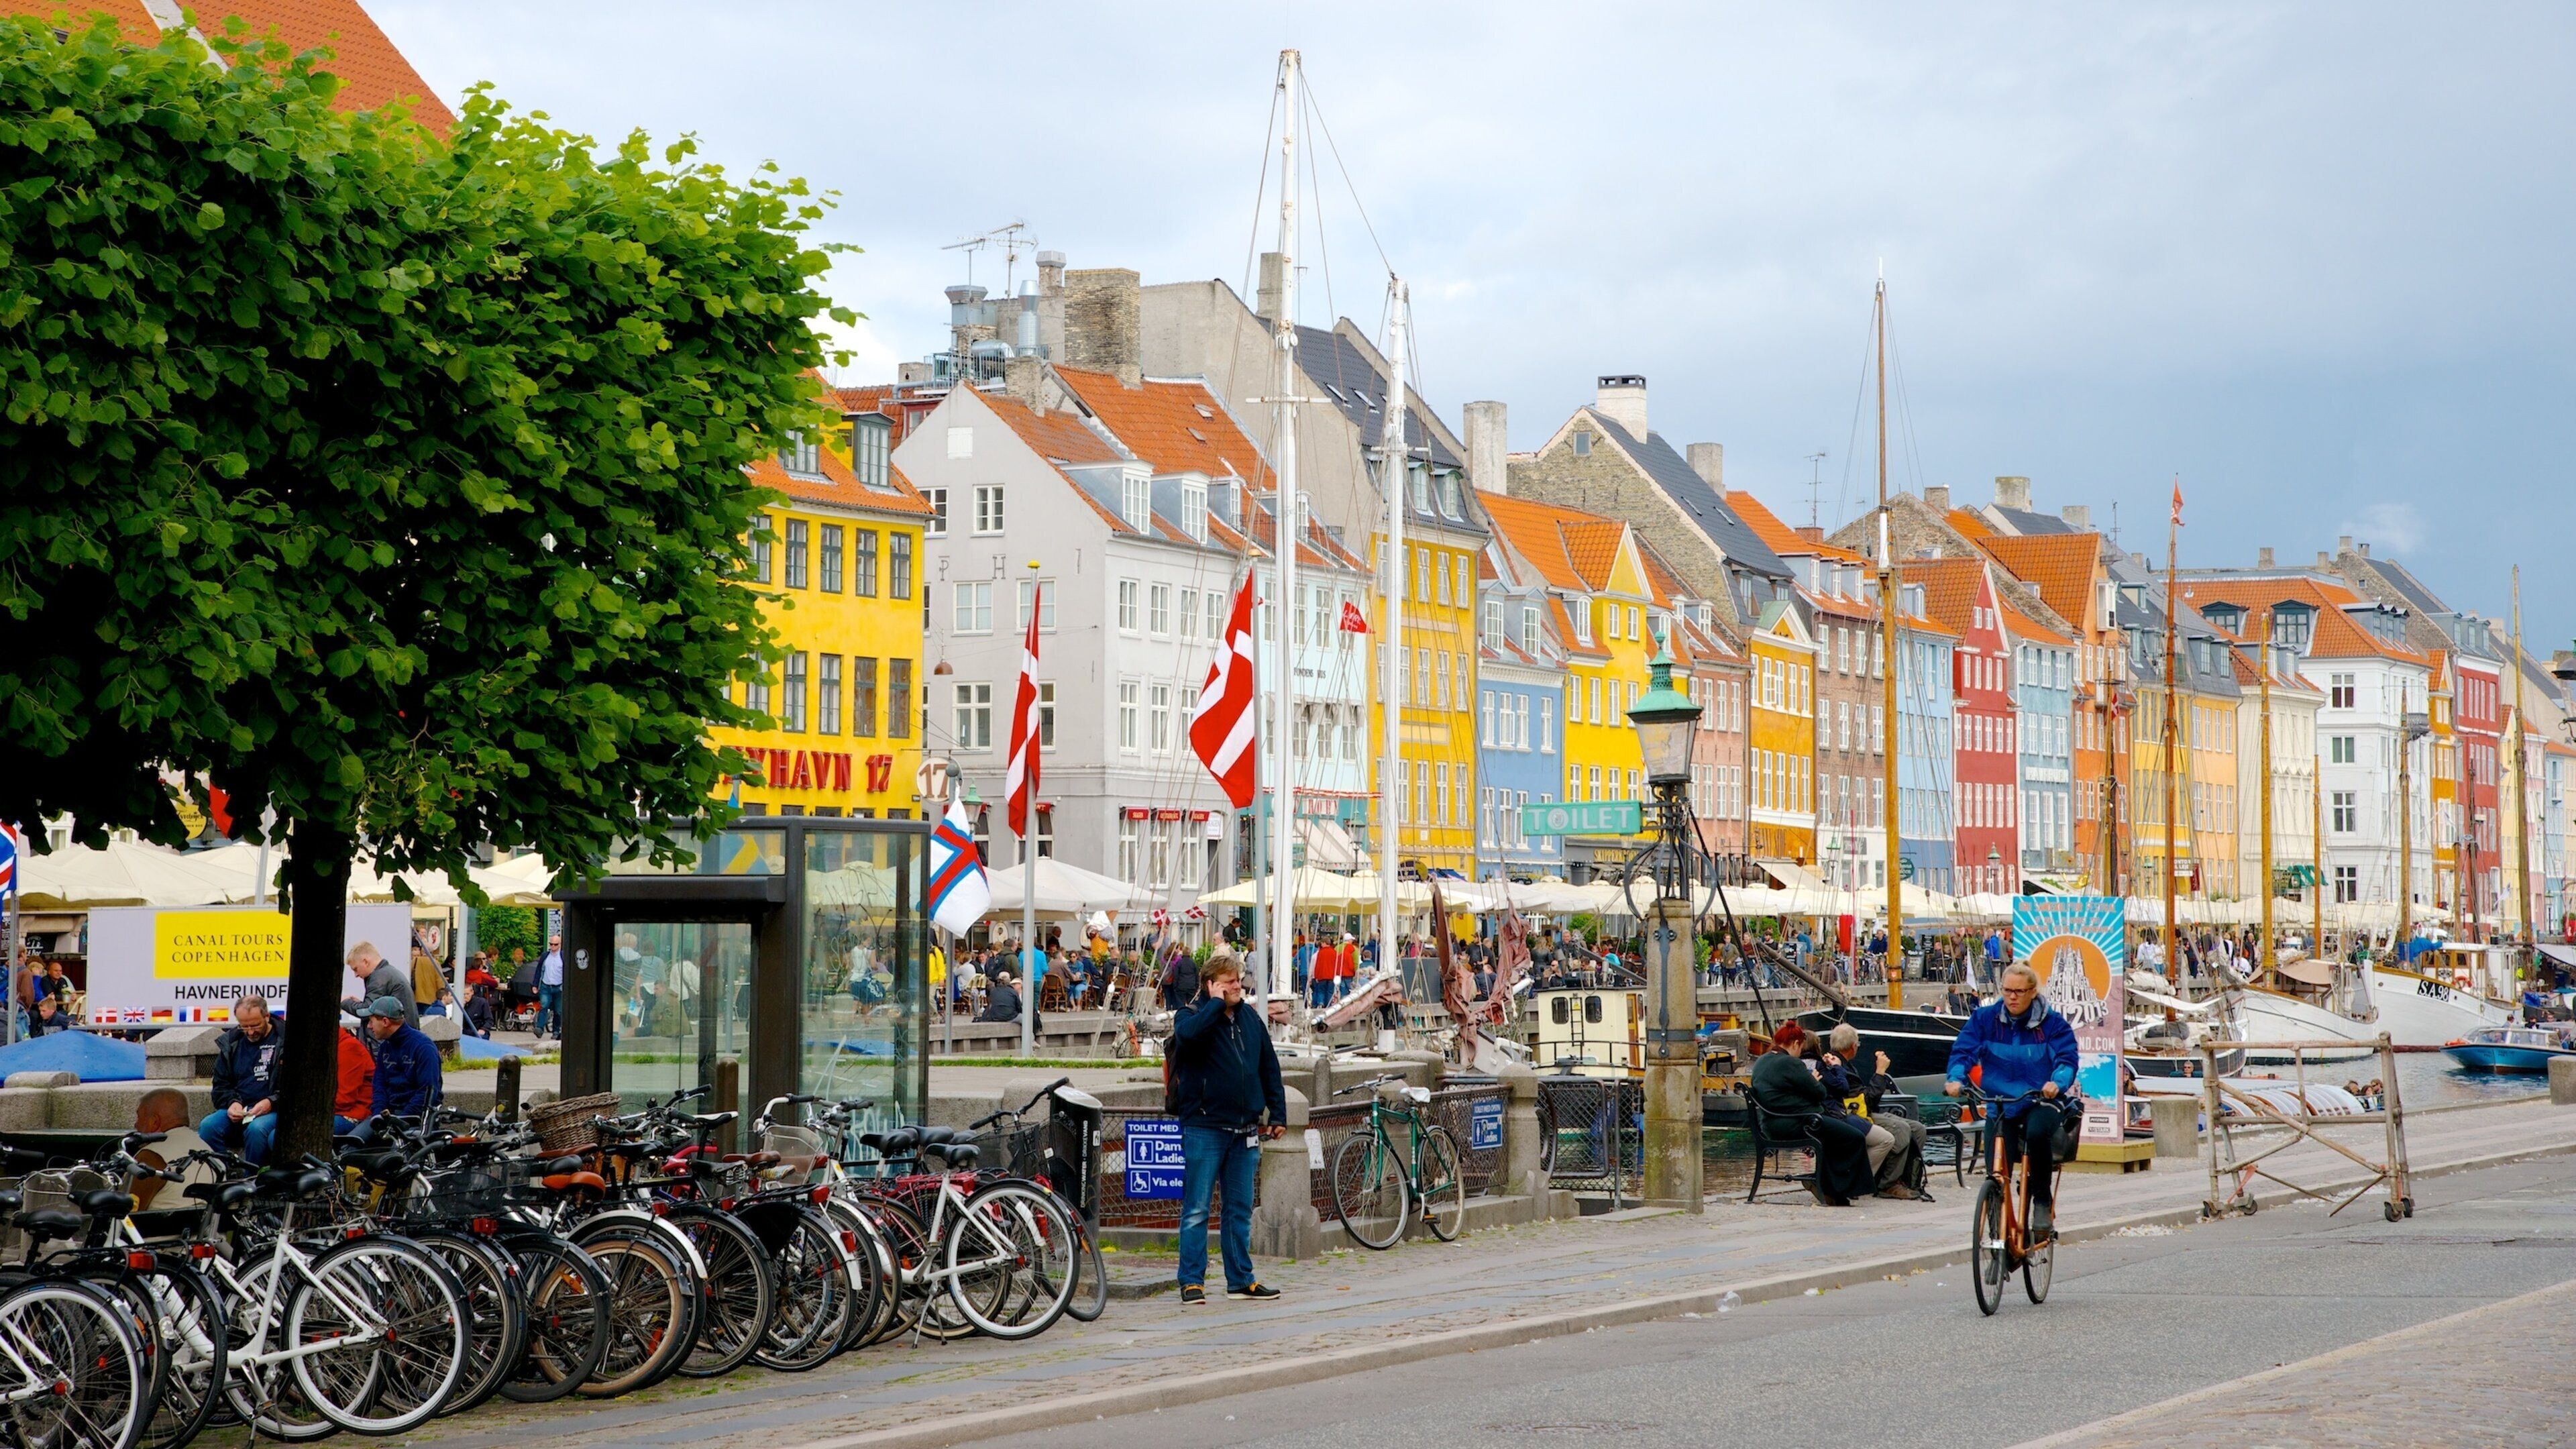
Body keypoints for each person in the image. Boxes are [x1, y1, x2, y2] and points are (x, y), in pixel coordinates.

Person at [1169, 953, 1285, 1305]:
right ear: (1211, 985)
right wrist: (1216, 1006)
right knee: (1197, 1209)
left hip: (1244, 1128)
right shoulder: (1190, 1015)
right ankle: (1192, 1281)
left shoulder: (1249, 1018)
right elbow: (1188, 1037)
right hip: (1204, 1126)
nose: (1238, 986)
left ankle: (1241, 1280)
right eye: (1229, 982)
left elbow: (1269, 1065)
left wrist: (1277, 1113)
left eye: (1238, 980)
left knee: (1239, 1209)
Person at [1944, 961, 2080, 1236]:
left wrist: (2057, 1082)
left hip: (2040, 1099)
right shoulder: (1985, 1019)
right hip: (2000, 1102)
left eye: (2019, 992)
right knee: (1996, 1167)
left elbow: (2066, 1059)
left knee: (2037, 1132)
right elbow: (1964, 1052)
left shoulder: (2053, 1024)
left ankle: (2041, 1200)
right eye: (2007, 991)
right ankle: (1998, 1226)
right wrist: (1956, 1079)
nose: (2012, 997)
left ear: (2033, 992)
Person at [1746, 1022, 1876, 1205]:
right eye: (1800, 1047)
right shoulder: (1791, 1063)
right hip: (1797, 1123)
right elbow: (1820, 1093)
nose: (1800, 1052)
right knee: (1854, 1137)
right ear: (1795, 1044)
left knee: (1835, 1134)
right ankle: (1839, 1188)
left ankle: (1826, 1186)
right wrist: (1814, 1080)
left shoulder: (1762, 1061)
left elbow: (1781, 1093)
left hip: (1770, 1123)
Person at [1822, 1022, 1932, 1201]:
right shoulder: (1838, 1067)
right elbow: (1868, 1102)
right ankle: (1887, 1184)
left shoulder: (1842, 1064)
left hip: (1864, 1113)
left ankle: (1908, 1179)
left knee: (1918, 1129)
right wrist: (1880, 1072)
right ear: (1853, 1046)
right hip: (1855, 1116)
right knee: (1901, 1129)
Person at [199, 994, 284, 1165]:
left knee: (257, 1129)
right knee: (208, 1126)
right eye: (244, 1027)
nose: (250, 1032)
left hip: (273, 1109)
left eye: (255, 1025)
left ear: (267, 1017)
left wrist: (271, 1102)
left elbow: (296, 1088)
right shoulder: (232, 1043)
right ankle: (223, 1170)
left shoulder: (283, 1040)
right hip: (241, 1108)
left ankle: (252, 1175)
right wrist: (232, 1102)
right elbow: (220, 1086)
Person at [131, 1089, 215, 1212]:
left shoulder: (151, 1156)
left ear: (155, 1122)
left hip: (162, 1225)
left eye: (139, 1118)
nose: (136, 1125)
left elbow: (126, 1212)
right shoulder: (208, 1151)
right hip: (209, 1223)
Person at [366, 996, 444, 1121]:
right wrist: (378, 1116)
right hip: (387, 1116)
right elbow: (379, 1086)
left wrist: (400, 1121)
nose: (369, 1026)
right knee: (357, 1135)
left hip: (415, 1119)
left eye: (371, 1021)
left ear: (385, 1022)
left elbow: (428, 1093)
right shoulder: (385, 1046)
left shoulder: (423, 1047)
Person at [342, 942, 419, 1027]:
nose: (356, 975)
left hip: (394, 1034)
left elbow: (367, 1011)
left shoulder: (380, 978)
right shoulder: (388, 974)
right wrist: (358, 1003)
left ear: (366, 962)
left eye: (356, 969)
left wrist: (345, 1002)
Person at [333, 1011, 376, 1134]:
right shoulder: (339, 1046)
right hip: (339, 1110)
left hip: (353, 1113)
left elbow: (345, 1100)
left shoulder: (348, 1048)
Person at [535, 935, 564, 1040]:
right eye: (551, 944)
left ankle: (556, 1031)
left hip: (559, 986)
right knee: (544, 1006)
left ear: (559, 945)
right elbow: (539, 970)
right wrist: (535, 984)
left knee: (558, 1011)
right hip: (546, 985)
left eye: (555, 944)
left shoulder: (563, 956)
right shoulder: (545, 956)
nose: (553, 947)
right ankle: (539, 1028)